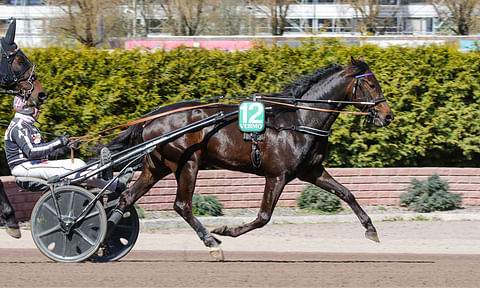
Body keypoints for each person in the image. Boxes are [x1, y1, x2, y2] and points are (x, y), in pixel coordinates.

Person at [4, 96, 133, 194]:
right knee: (75, 166)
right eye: (37, 107)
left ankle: (117, 185)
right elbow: (32, 151)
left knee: (76, 166)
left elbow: (46, 154)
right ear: (28, 109)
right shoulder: (19, 126)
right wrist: (58, 142)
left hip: (32, 165)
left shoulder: (27, 126)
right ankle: (100, 172)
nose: (40, 110)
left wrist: (66, 147)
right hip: (23, 167)